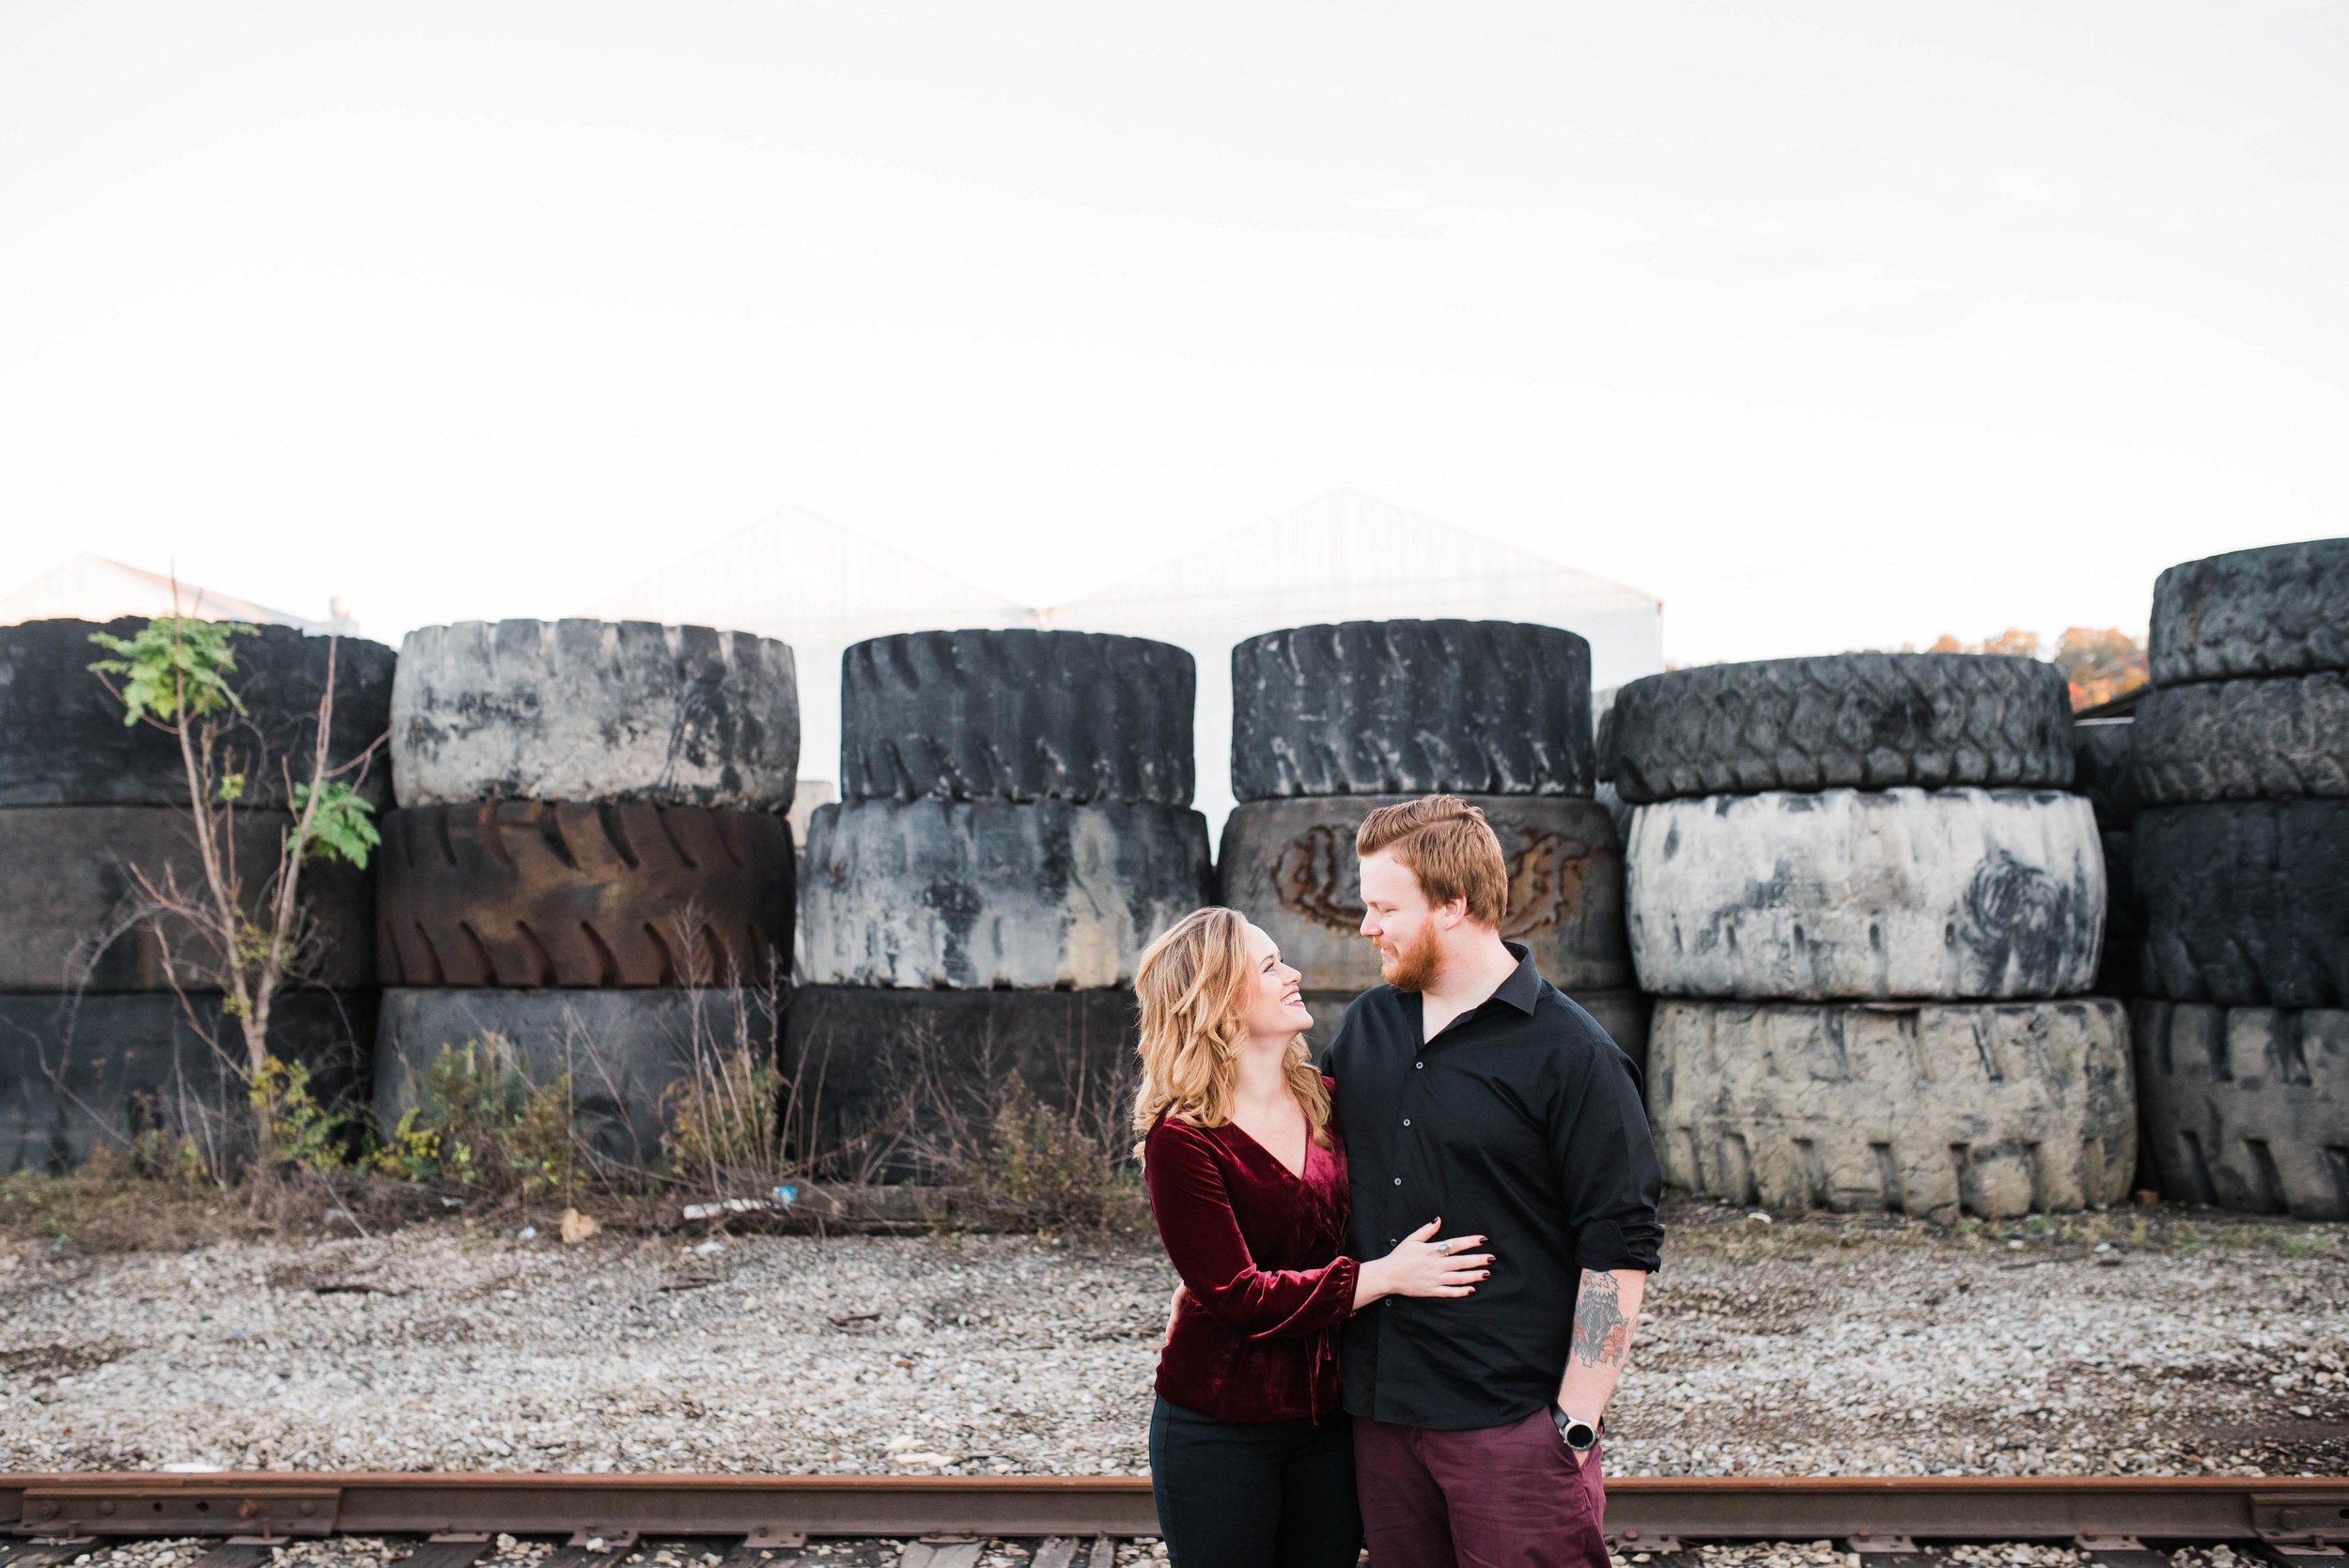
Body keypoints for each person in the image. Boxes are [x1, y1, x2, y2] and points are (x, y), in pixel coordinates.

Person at [1323, 794, 1664, 1568]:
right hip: (1379, 1418)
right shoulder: (1366, 1028)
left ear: (1454, 905)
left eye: (1384, 906)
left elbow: (1619, 1246)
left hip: (1509, 1428)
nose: (1367, 926)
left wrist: (1574, 1421)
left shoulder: (1573, 1054)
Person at [1132, 906, 1494, 1568]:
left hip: (1328, 1417)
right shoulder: (1182, 1140)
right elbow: (1238, 1296)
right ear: (1216, 996)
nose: (1294, 973)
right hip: (1218, 1424)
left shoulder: (1329, 1101)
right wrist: (1383, 1275)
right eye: (1270, 965)